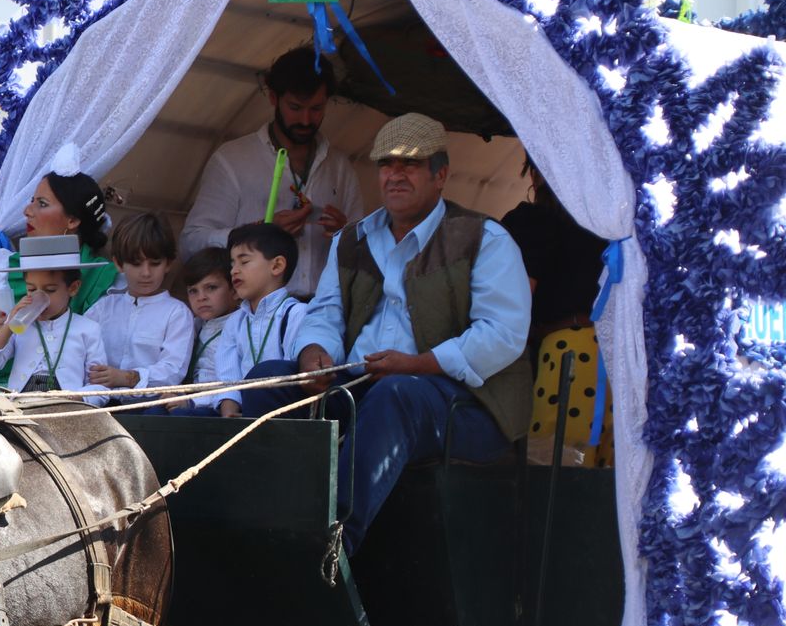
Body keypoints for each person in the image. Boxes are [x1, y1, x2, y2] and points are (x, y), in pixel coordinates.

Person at [238, 113, 532, 552]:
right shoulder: (353, 238)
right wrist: (314, 352)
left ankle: (331, 546)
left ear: (441, 175)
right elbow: (326, 311)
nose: (394, 175)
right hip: (365, 386)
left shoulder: (484, 238)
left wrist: (420, 365)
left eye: (409, 166)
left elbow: (502, 334)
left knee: (399, 394)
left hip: (465, 405)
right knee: (268, 381)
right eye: (386, 165)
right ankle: (258, 525)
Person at [179, 47, 364, 299]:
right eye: (295, 107)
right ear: (274, 98)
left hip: (323, 312)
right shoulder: (233, 160)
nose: (306, 120)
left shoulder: (340, 167)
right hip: (255, 311)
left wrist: (345, 233)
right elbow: (191, 243)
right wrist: (256, 234)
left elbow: (365, 250)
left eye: (317, 108)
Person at [499, 153, 613, 464]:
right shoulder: (609, 225)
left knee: (553, 473)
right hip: (614, 361)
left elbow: (515, 300)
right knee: (604, 485)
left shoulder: (532, 222)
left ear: (534, 174)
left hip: (565, 359)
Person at [0, 167, 119, 385]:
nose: (27, 210)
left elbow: (102, 370)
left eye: (42, 204)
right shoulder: (9, 267)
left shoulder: (103, 278)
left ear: (72, 221)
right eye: (31, 288)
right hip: (3, 394)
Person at [0, 236, 109, 405]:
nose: (39, 297)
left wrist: (75, 396)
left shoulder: (88, 329)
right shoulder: (20, 326)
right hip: (21, 407)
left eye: (50, 290)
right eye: (31, 289)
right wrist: (8, 326)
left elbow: (100, 388)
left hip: (67, 408)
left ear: (73, 288)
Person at [84, 211, 193, 398]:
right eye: (136, 264)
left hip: (147, 411)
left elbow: (173, 370)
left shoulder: (177, 313)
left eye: (155, 263)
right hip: (97, 403)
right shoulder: (102, 309)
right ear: (118, 264)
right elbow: (79, 354)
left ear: (168, 264)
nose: (145, 273)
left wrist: (127, 378)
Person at [212, 223, 308, 418]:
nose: (234, 271)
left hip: (283, 415)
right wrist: (229, 413)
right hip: (243, 413)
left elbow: (292, 378)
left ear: (277, 266)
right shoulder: (235, 322)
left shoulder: (297, 314)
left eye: (244, 262)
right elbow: (228, 376)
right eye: (232, 264)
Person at [164, 246, 238, 415]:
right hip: (190, 399)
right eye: (193, 291)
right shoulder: (194, 325)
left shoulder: (240, 326)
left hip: (218, 406)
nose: (201, 297)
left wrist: (191, 401)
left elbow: (233, 385)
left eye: (211, 288)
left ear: (234, 290)